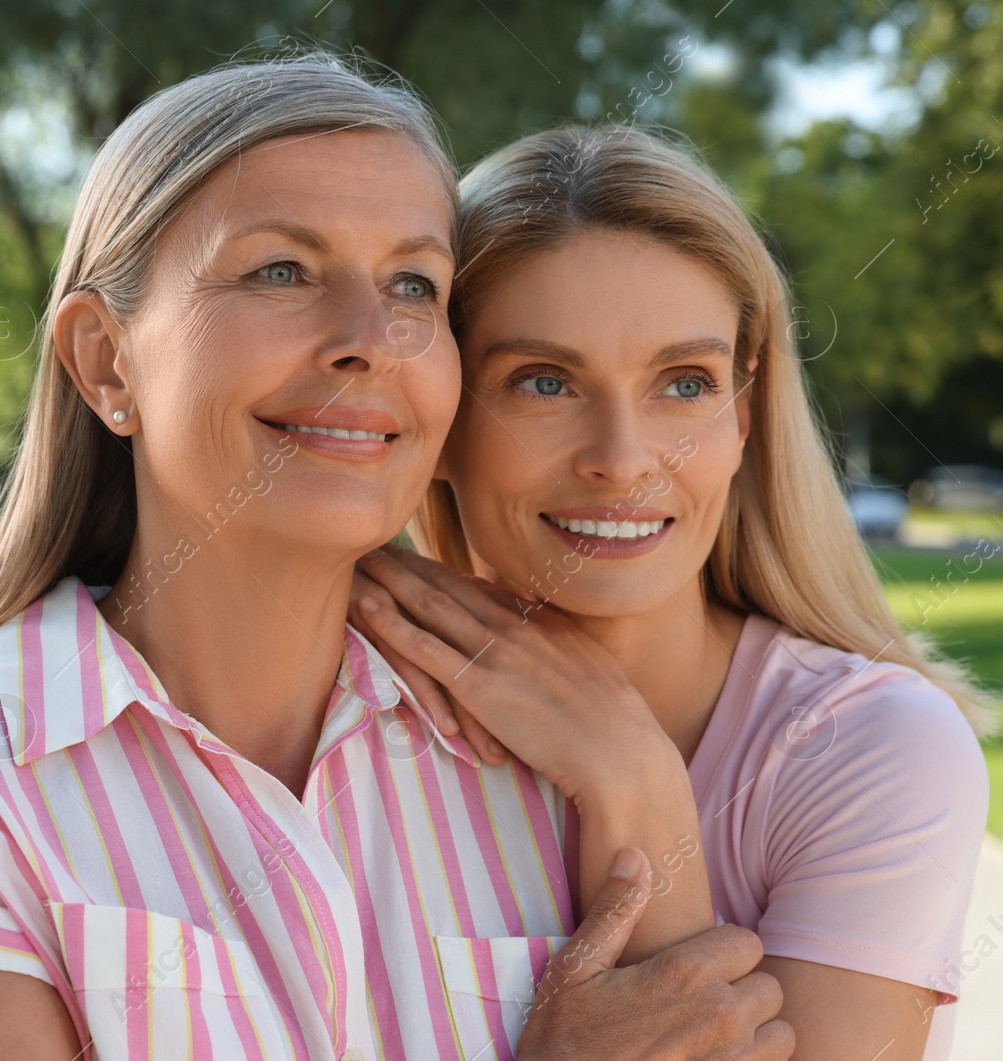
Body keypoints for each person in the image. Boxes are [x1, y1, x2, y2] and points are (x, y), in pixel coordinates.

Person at [0, 62, 792, 1060]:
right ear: (106, 362)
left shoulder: (547, 753)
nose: (369, 338)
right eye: (282, 269)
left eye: (415, 285)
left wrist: (640, 781)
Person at [349, 123, 995, 1060]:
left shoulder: (868, 748)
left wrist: (640, 790)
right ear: (444, 414)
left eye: (684, 384)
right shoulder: (350, 714)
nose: (621, 458)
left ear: (743, 412)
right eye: (544, 380)